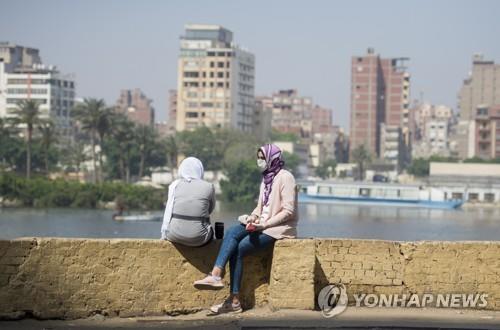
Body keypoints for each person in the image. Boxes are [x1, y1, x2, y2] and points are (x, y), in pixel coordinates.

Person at [193, 144, 298, 315]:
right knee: (232, 232)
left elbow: (288, 211)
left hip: (278, 229)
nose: (259, 161)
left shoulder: (286, 178)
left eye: (262, 158)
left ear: (273, 158)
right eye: (258, 157)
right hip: (261, 224)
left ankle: (232, 299)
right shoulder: (266, 179)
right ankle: (217, 276)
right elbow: (260, 207)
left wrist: (265, 224)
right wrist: (253, 217)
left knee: (240, 248)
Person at [160, 157, 215, 247]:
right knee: (210, 230)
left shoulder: (175, 185)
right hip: (199, 238)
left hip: (173, 235)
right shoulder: (209, 186)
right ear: (200, 170)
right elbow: (210, 210)